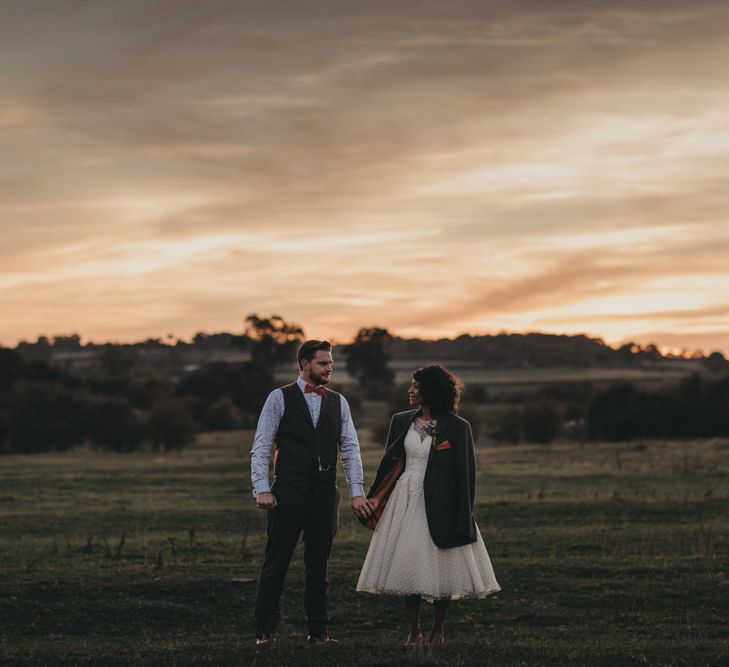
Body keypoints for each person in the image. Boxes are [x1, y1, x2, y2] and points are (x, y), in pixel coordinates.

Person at [356, 364, 500, 645]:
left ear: (431, 391)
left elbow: (465, 475)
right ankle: (414, 630)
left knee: (441, 563)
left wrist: (464, 514)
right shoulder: (401, 421)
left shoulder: (459, 428)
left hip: (443, 502)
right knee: (410, 561)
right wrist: (376, 497)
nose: (410, 390)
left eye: (416, 386)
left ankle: (438, 630)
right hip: (406, 499)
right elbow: (393, 464)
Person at [251, 339, 372, 646]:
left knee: (319, 565)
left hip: (324, 492)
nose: (329, 368)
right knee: (276, 561)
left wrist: (357, 492)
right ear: (304, 364)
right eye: (323, 363)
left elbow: (350, 449)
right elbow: (263, 444)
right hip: (288, 490)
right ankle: (265, 630)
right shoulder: (279, 398)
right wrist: (262, 488)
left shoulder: (339, 402)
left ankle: (318, 632)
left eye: (330, 363)